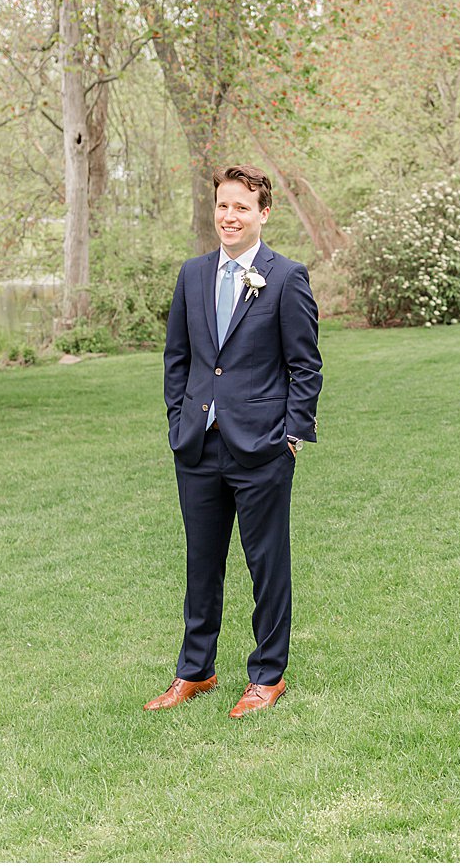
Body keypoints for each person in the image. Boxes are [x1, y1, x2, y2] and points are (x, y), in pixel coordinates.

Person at [148, 164, 322, 719]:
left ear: (263, 213)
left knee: (266, 563)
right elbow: (178, 357)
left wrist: (291, 435)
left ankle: (268, 675)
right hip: (198, 445)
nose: (229, 216)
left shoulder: (286, 277)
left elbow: (306, 367)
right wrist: (179, 421)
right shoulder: (193, 274)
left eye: (241, 207)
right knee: (202, 563)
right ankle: (195, 671)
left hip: (262, 447)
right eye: (223, 206)